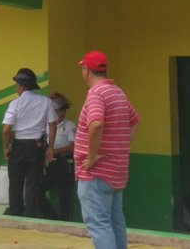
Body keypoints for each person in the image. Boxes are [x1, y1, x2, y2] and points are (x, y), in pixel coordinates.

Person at [74, 50, 139, 249]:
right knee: (115, 220)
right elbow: (135, 121)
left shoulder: (96, 94)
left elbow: (96, 123)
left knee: (98, 223)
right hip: (116, 169)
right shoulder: (117, 92)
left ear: (86, 70)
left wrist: (92, 155)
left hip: (96, 172)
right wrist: (120, 146)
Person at [2, 67, 58, 218]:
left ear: (21, 86)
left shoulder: (15, 103)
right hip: (37, 147)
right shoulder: (46, 101)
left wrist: (6, 147)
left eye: (16, 85)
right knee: (33, 183)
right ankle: (30, 213)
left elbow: (6, 129)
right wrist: (50, 148)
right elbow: (52, 126)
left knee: (15, 181)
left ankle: (15, 211)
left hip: (18, 146)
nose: (16, 88)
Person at [40, 92, 76, 221]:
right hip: (50, 165)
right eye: (59, 110)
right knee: (37, 191)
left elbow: (74, 146)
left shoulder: (69, 125)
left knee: (65, 197)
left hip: (65, 164)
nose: (62, 113)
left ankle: (65, 223)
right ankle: (52, 219)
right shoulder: (45, 126)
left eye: (64, 110)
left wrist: (54, 151)